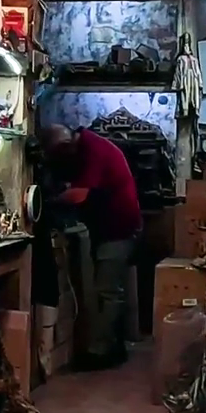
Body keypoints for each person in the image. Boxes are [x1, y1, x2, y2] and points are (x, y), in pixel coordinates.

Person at [41, 123, 142, 370]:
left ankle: (102, 352)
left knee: (107, 291)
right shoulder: (82, 148)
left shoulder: (93, 149)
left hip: (119, 227)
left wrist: (48, 201)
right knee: (110, 290)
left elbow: (80, 194)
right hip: (110, 227)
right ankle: (114, 347)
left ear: (65, 146)